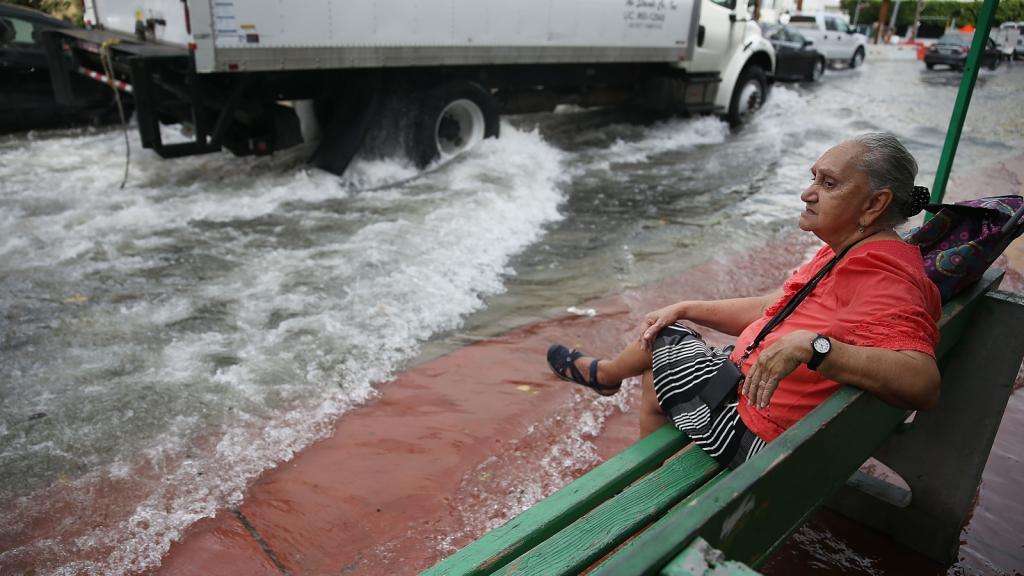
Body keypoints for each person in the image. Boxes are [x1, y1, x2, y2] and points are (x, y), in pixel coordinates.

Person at [547, 133, 942, 469]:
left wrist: (815, 347)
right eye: (813, 179)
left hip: (757, 436)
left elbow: (922, 382)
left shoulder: (879, 271)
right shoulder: (854, 249)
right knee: (670, 342)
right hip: (763, 408)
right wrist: (687, 307)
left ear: (874, 204)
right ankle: (622, 407)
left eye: (829, 184)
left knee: (662, 343)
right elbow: (775, 308)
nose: (807, 194)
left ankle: (619, 410)